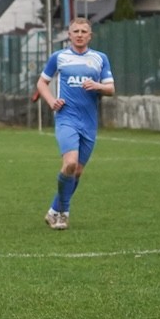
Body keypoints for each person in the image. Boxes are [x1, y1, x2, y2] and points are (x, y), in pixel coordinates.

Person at [37, 17, 115, 231]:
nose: (79, 35)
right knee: (70, 164)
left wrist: (97, 86)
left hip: (89, 121)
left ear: (90, 36)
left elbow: (110, 88)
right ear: (69, 35)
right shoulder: (59, 57)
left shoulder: (100, 58)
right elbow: (42, 82)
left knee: (77, 171)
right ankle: (64, 213)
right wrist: (52, 101)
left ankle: (53, 210)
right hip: (66, 118)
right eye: (76, 31)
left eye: (83, 31)